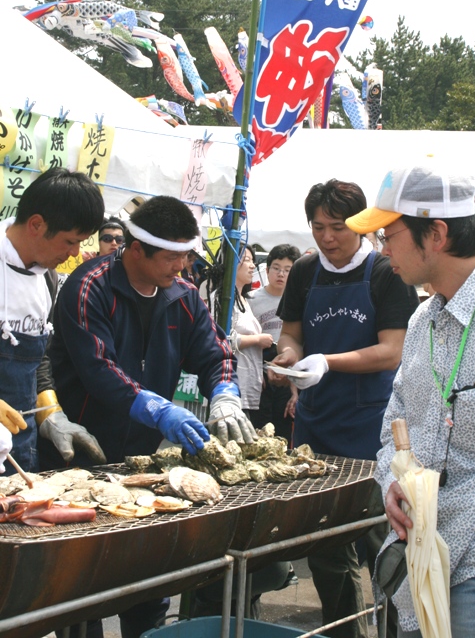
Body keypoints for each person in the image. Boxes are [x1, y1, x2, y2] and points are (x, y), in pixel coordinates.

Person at [46, 195, 256, 638]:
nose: (181, 266)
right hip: (80, 451)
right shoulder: (89, 286)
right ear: (135, 249)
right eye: (172, 256)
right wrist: (157, 408)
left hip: (142, 459)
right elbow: (98, 368)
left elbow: (215, 352)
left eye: (186, 255)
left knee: (145, 577)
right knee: (80, 586)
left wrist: (224, 393)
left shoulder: (182, 297)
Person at [346, 163, 475, 638]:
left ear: (437, 234)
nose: (382, 250)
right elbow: (398, 418)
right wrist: (391, 480)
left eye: (389, 235)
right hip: (417, 555)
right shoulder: (421, 320)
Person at [273, 179, 419, 638]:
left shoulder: (384, 272)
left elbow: (393, 350)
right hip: (316, 426)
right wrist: (290, 357)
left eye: (337, 227)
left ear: (359, 225)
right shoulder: (304, 272)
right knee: (324, 546)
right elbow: (292, 333)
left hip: (371, 427)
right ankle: (342, 632)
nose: (327, 237)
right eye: (318, 227)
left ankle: (396, 630)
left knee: (383, 541)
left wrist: (327, 361)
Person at [0, 168, 107, 473]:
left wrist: (49, 411)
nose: (75, 253)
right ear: (36, 224)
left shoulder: (47, 277)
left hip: (19, 444)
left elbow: (40, 355)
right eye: (70, 242)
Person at [208, 245, 274, 419]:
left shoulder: (243, 299)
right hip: (232, 386)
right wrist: (257, 340)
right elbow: (221, 340)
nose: (252, 265)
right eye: (246, 260)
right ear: (229, 264)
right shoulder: (221, 298)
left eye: (253, 260)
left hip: (248, 384)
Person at [248, 243, 301, 441]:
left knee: (282, 433)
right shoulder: (252, 299)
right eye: (277, 268)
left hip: (288, 374)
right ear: (267, 270)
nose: (281, 274)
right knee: (258, 432)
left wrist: (295, 388)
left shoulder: (299, 300)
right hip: (260, 375)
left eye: (288, 270)